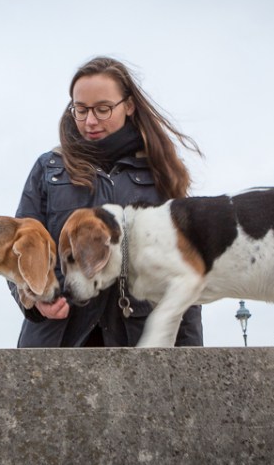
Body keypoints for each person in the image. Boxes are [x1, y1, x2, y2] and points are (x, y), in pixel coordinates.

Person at [12, 56, 204, 347]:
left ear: (128, 106)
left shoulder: (162, 174)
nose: (90, 121)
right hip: (57, 339)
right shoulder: (47, 168)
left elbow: (184, 269)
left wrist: (192, 356)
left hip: (142, 342)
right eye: (81, 109)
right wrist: (33, 299)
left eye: (103, 109)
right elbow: (17, 248)